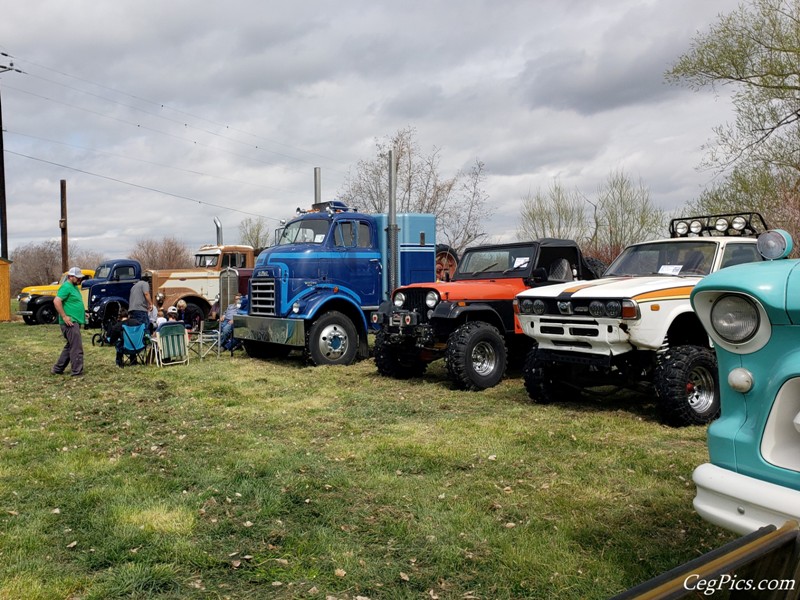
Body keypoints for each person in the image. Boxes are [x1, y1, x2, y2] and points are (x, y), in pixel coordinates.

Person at [51, 267, 87, 377]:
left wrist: (83, 312)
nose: (80, 280)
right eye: (78, 278)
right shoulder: (66, 287)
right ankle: (77, 372)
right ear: (71, 277)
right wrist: (64, 316)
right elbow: (57, 301)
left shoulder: (74, 287)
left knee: (70, 346)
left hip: (75, 321)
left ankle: (57, 369)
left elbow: (73, 303)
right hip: (70, 323)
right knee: (76, 347)